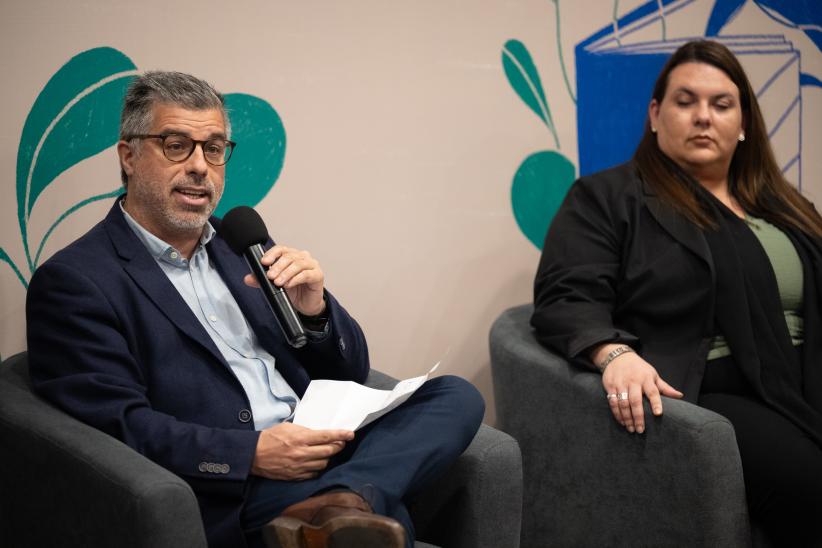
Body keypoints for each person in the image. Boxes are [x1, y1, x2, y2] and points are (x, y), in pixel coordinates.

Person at [26, 71, 484, 548]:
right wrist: (251, 454)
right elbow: (118, 424)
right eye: (177, 145)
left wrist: (316, 311)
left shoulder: (240, 242)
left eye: (215, 147)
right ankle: (351, 505)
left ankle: (344, 501)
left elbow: (352, 370)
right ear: (129, 156)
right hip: (238, 484)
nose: (201, 166)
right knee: (382, 523)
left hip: (321, 445)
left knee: (455, 395)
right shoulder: (78, 281)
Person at [532, 40, 822, 545]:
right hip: (712, 390)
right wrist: (614, 354)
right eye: (685, 102)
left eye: (721, 104)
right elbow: (566, 296)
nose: (703, 117)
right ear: (655, 114)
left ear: (745, 122)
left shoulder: (786, 205)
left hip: (805, 376)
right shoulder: (609, 197)